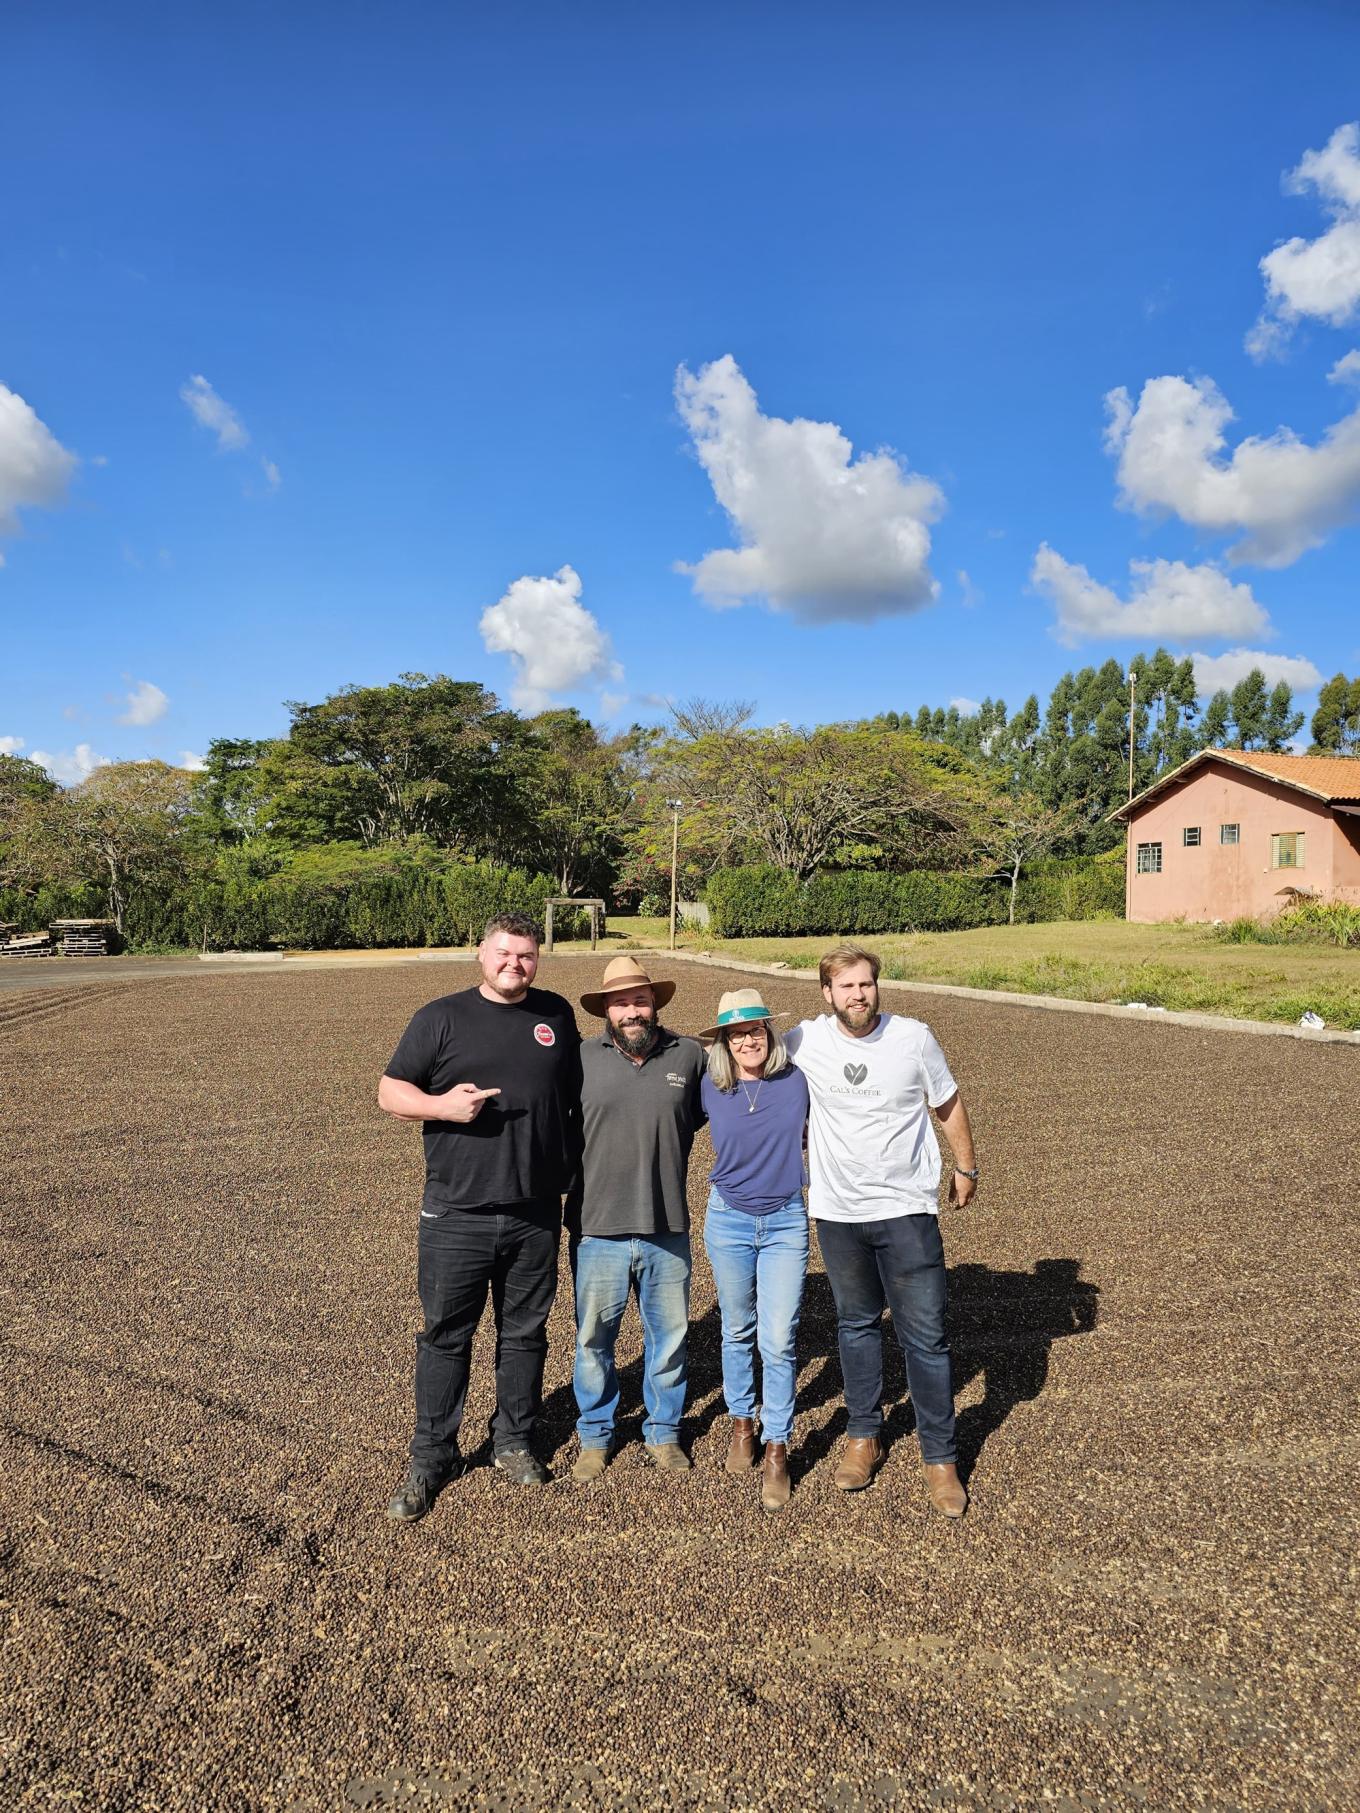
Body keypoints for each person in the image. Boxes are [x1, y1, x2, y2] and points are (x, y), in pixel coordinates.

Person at [378, 912, 581, 1521]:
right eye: (503, 953)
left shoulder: (557, 1014)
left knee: (524, 1336)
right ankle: (431, 1456)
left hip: (535, 1210)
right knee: (446, 1337)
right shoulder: (440, 1018)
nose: (514, 964)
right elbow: (390, 1091)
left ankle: (513, 1441)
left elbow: (573, 1095)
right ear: (480, 954)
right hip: (457, 1211)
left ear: (537, 960)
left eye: (525, 955)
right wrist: (440, 1105)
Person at [785, 944, 978, 1518]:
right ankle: (863, 1435)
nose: (858, 995)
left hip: (906, 1208)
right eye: (845, 987)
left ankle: (940, 1456)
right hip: (839, 1211)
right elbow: (746, 1051)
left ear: (878, 986)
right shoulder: (806, 1040)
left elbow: (947, 1103)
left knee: (926, 1334)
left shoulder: (913, 1037)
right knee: (857, 1325)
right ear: (827, 994)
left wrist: (966, 1164)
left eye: (866, 984)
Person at [567, 956, 706, 1481]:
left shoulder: (688, 1055)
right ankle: (596, 1435)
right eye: (621, 1002)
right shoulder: (579, 1058)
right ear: (606, 1009)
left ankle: (664, 1432)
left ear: (655, 1004)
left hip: (666, 1225)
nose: (632, 1010)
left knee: (668, 1338)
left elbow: (737, 1101)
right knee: (592, 1341)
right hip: (596, 1226)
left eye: (641, 1000)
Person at [699, 988, 810, 1511]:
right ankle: (742, 1421)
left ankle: (776, 1446)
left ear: (770, 1033)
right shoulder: (710, 1087)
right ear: (723, 1041)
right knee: (736, 1327)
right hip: (729, 1219)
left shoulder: (797, 1081)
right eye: (737, 1033)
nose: (748, 1039)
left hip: (786, 1219)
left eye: (757, 1029)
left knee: (780, 1338)